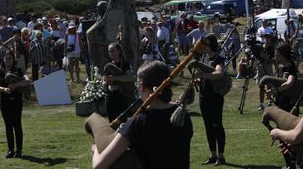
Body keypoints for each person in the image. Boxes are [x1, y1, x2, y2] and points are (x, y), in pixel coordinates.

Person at [92, 60, 193, 169]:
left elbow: (99, 166)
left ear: (141, 86)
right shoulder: (183, 116)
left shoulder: (138, 123)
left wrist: (96, 148)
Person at [193, 35, 227, 166]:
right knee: (208, 126)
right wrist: (198, 80)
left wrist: (202, 75)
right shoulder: (204, 58)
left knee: (216, 125)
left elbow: (219, 74)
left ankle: (221, 156)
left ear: (209, 45)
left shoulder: (218, 59)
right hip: (203, 96)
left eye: (204, 44)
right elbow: (205, 77)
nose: (202, 47)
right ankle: (212, 155)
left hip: (215, 97)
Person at [0, 51, 31, 159]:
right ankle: (10, 150)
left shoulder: (19, 70)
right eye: (6, 59)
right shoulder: (0, 71)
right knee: (8, 126)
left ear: (13, 60)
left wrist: (15, 85)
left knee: (17, 125)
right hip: (5, 101)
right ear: (3, 60)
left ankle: (19, 150)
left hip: (16, 101)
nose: (7, 61)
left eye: (10, 58)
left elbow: (28, 81)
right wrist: (4, 89)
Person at [102, 42, 136, 122]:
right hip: (110, 97)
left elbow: (131, 78)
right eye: (109, 51)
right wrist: (104, 83)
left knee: (121, 122)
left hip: (121, 96)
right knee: (112, 122)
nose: (111, 53)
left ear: (119, 51)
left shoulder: (125, 64)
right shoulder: (108, 66)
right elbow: (103, 81)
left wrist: (115, 78)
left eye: (113, 51)